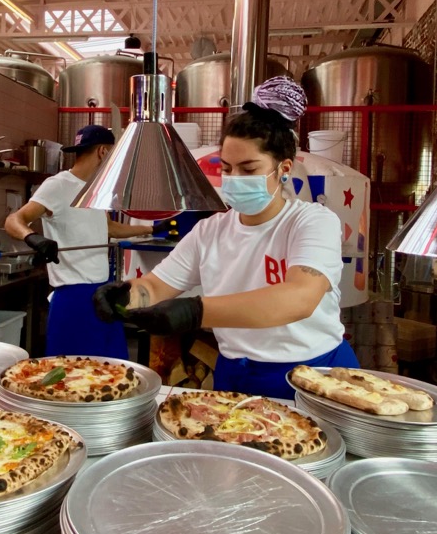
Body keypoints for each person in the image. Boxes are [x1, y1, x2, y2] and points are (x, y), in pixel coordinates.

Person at [92, 77, 357, 399]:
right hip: (236, 373)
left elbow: (299, 298)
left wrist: (195, 312)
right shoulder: (210, 231)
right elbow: (156, 286)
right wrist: (125, 296)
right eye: (227, 169)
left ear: (283, 168)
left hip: (313, 374)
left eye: (249, 169)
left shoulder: (311, 222)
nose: (234, 179)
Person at [4, 124, 158, 358]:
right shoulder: (58, 185)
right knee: (72, 372)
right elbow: (14, 220)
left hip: (104, 292)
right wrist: (33, 238)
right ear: (103, 152)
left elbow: (109, 228)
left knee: (112, 368)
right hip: (73, 297)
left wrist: (152, 229)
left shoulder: (95, 189)